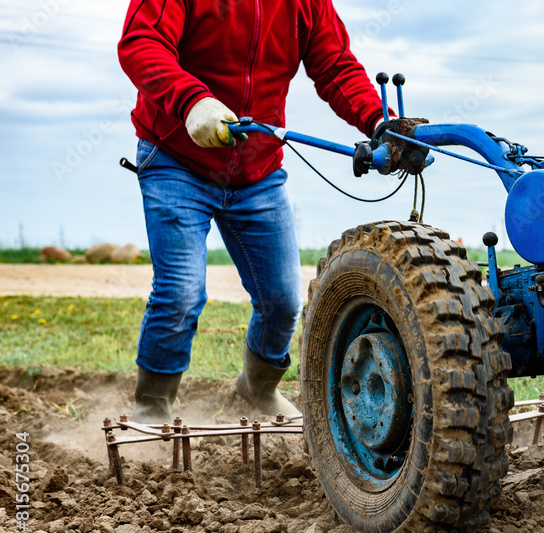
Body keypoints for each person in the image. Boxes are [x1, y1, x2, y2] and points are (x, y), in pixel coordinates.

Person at [117, 0, 388, 423]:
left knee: (281, 299)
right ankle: (152, 406)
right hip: (175, 156)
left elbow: (334, 65)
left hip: (257, 170)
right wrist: (192, 102)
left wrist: (379, 122)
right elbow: (141, 42)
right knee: (181, 293)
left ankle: (258, 388)